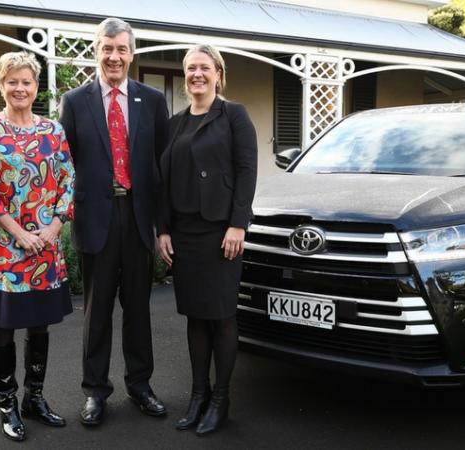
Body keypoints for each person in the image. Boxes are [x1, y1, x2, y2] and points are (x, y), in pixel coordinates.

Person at [58, 17, 169, 426]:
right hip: (95, 218)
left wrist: (163, 226)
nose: (114, 56)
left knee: (138, 309)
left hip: (138, 219)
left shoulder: (152, 101)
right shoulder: (75, 101)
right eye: (107, 48)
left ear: (132, 53)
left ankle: (140, 385)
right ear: (96, 50)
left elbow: (161, 167)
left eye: (122, 49)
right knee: (97, 310)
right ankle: (95, 391)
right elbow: (63, 165)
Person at [0, 51, 74, 442]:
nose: (20, 88)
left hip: (45, 245)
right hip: (3, 250)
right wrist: (18, 233)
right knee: (3, 328)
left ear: (36, 85)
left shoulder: (53, 131)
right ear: (0, 85)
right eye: (12, 81)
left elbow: (67, 180)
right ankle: (7, 403)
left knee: (40, 325)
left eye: (26, 81)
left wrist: (56, 225)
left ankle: (35, 398)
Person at [156, 45, 257, 435]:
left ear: (218, 73)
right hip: (184, 234)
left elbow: (247, 171)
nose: (197, 74)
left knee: (222, 316)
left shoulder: (234, 115)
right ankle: (198, 396)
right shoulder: (174, 123)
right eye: (191, 68)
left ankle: (220, 399)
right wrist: (162, 229)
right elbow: (162, 181)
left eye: (204, 67)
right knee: (195, 316)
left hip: (220, 232)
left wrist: (238, 224)